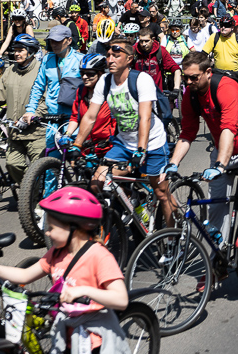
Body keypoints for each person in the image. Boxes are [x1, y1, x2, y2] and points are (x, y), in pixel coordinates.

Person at [0, 186, 131, 354]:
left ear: (73, 227)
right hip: (65, 335)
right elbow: (25, 274)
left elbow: (121, 299)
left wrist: (84, 290)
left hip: (93, 341)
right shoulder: (57, 253)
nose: (48, 232)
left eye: (51, 227)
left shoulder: (98, 255)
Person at [167, 51, 238, 250]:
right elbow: (187, 132)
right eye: (185, 77)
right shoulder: (190, 94)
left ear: (208, 72)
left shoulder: (225, 87)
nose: (188, 82)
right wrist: (173, 164)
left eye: (193, 77)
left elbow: (229, 128)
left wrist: (220, 165)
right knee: (215, 216)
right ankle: (215, 265)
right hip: (223, 151)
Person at [71, 35, 174, 227]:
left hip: (151, 143)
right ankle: (133, 201)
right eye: (109, 54)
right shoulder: (105, 81)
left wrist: (141, 150)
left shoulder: (141, 80)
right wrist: (77, 144)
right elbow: (90, 116)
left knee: (161, 193)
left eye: (117, 55)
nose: (110, 59)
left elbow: (145, 117)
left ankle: (174, 237)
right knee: (97, 183)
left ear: (129, 59)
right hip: (124, 142)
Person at [0, 34, 47, 186]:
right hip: (15, 132)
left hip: (36, 133)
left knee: (40, 169)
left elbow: (47, 101)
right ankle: (31, 191)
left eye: (21, 50)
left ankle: (38, 197)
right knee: (13, 164)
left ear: (31, 51)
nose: (16, 53)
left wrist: (33, 116)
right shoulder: (10, 71)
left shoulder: (42, 71)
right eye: (15, 50)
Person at [22, 25, 84, 148]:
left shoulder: (80, 60)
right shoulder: (47, 60)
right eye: (51, 41)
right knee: (51, 161)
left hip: (74, 120)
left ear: (69, 40)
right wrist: (30, 110)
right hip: (53, 120)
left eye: (58, 41)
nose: (54, 44)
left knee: (74, 160)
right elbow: (38, 87)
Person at [63, 53, 116, 155]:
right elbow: (75, 117)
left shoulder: (111, 92)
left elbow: (116, 121)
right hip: (85, 146)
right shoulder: (81, 90)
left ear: (100, 74)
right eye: (82, 73)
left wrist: (111, 138)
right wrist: (67, 134)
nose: (84, 77)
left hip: (106, 148)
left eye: (90, 74)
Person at [134, 27, 181, 92]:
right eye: (141, 41)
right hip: (137, 91)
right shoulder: (134, 51)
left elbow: (176, 69)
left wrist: (176, 89)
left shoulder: (161, 51)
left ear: (153, 39)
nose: (144, 44)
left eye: (147, 41)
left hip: (156, 92)